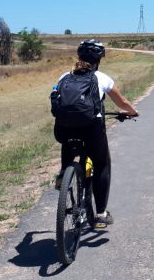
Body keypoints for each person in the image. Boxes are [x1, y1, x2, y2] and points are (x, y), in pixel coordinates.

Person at [52, 40, 138, 229]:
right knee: (101, 165)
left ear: (79, 57)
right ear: (98, 60)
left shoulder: (65, 76)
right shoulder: (102, 78)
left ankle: (63, 173)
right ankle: (100, 214)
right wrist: (132, 112)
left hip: (63, 128)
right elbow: (122, 102)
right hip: (92, 128)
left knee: (68, 143)